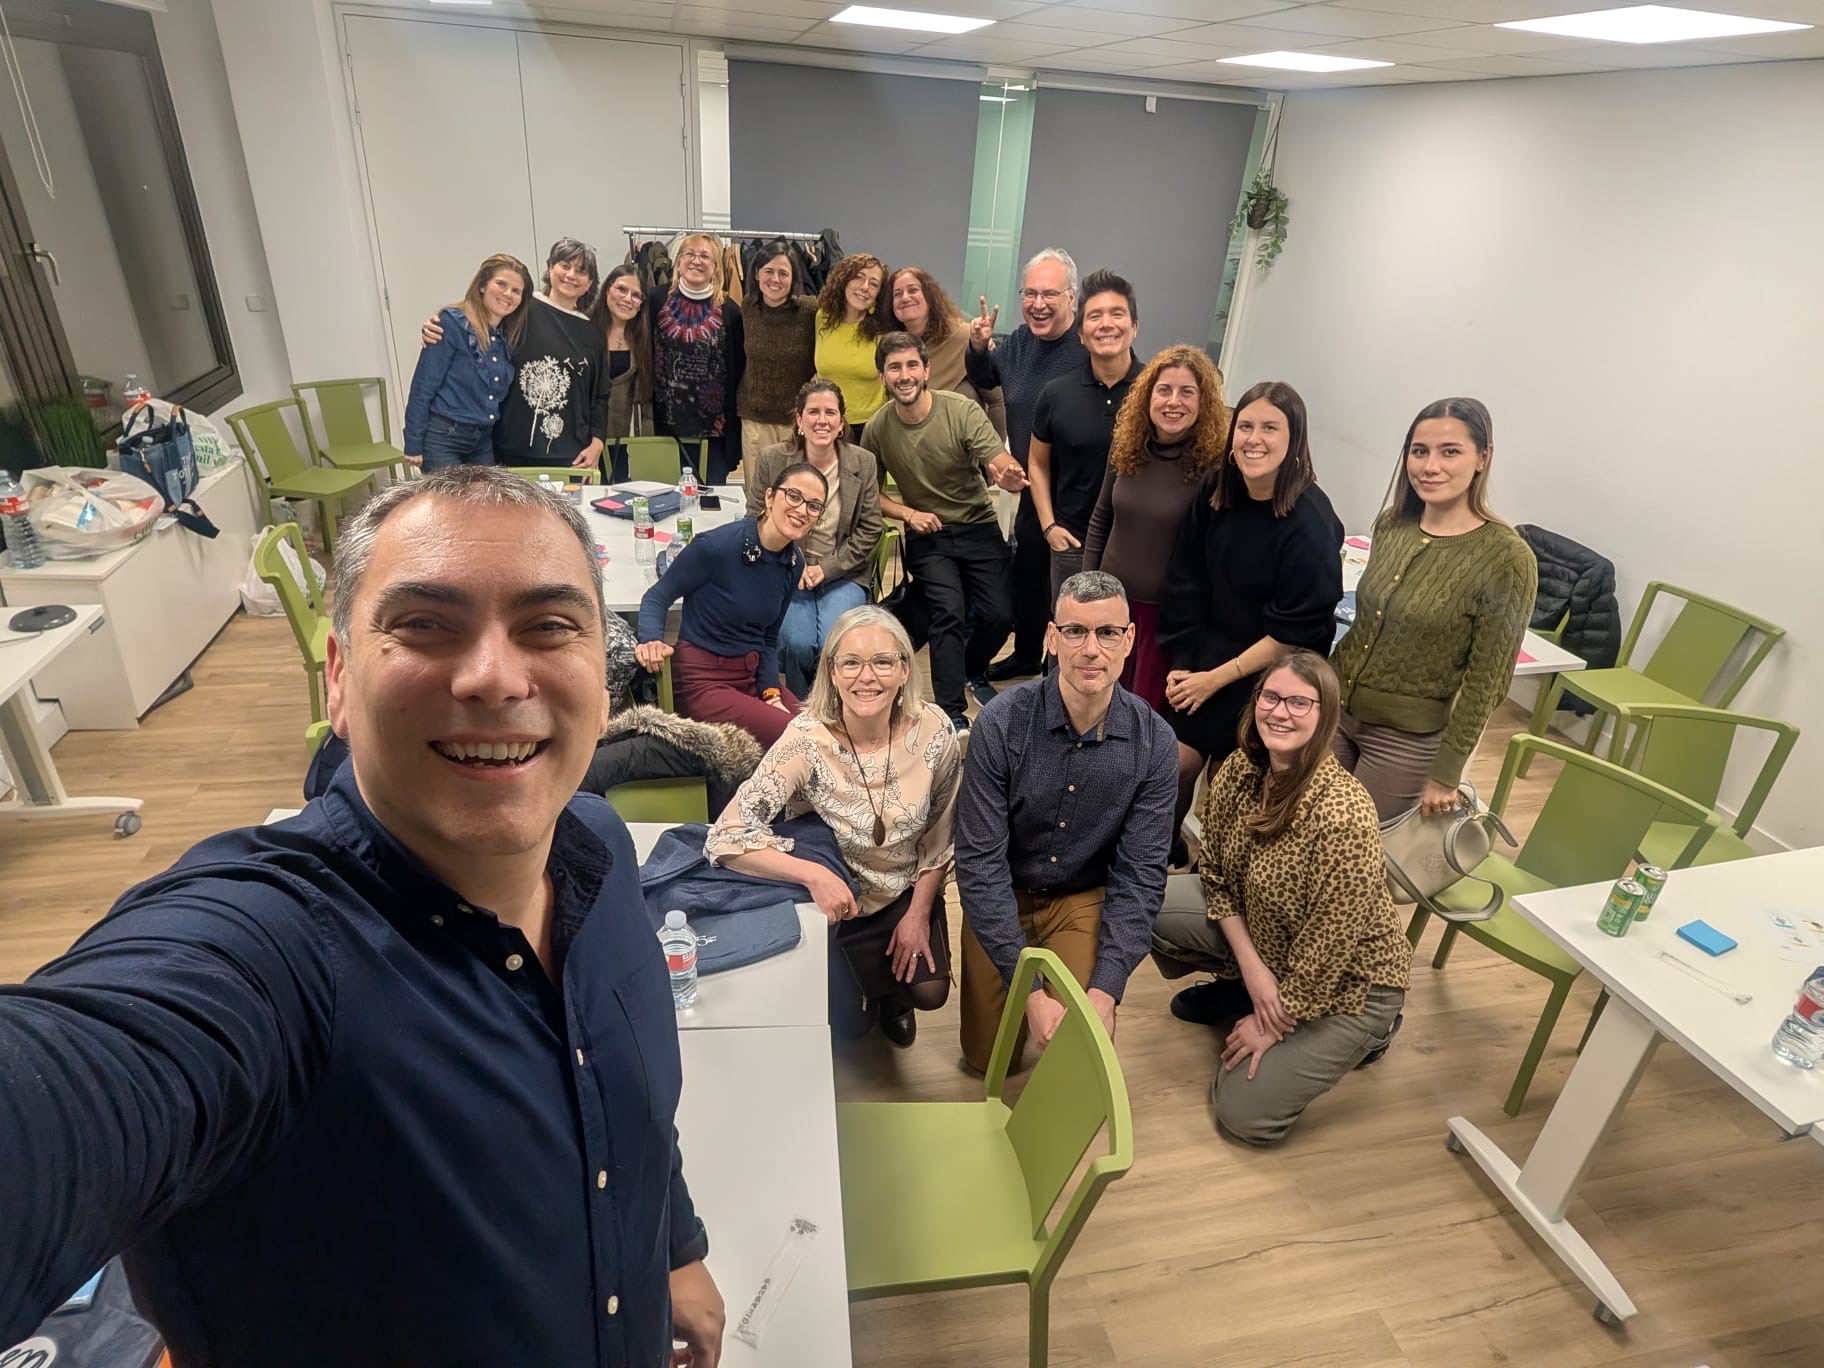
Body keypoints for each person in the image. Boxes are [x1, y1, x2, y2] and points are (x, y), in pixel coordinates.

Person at [0, 468, 724, 1364]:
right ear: (338, 678)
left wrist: (674, 1247)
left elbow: (623, 1094)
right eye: (424, 624)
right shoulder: (268, 951)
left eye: (548, 626)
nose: (495, 678)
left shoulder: (601, 848)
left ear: (603, 681)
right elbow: (77, 1086)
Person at [1151, 651, 1410, 1146]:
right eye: (1270, 697)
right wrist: (1252, 971)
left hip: (1348, 982)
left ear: (1325, 715)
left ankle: (1371, 1035)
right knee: (1148, 902)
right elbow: (1215, 875)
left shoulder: (1343, 813)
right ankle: (1241, 991)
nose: (1279, 712)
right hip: (1269, 939)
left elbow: (1329, 947)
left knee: (1243, 1117)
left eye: (1299, 702)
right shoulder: (1240, 769)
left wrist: (1275, 1022)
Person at [953, 571, 1177, 1073]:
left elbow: (1141, 876)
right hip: (1004, 890)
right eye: (1075, 631)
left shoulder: (1154, 743)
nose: (1091, 650)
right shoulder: (1001, 723)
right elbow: (979, 864)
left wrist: (1107, 989)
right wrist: (1032, 994)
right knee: (988, 1060)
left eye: (1108, 633)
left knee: (1076, 1051)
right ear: (1052, 638)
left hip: (1080, 896)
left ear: (1129, 639)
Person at [706, 605, 960, 1046]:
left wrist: (918, 914)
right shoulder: (806, 739)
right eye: (851, 662)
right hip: (837, 899)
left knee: (930, 992)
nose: (867, 677)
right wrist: (814, 876)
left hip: (905, 889)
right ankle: (866, 996)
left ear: (905, 670)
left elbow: (941, 833)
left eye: (883, 662)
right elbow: (725, 836)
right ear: (832, 672)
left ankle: (893, 1000)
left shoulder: (935, 729)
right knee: (849, 1030)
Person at [1330, 397, 1538, 819]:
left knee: (1362, 846)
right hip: (1336, 712)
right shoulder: (1393, 525)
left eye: (1450, 452)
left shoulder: (1507, 558)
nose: (1430, 466)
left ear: (1483, 457)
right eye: (1419, 451)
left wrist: (1447, 771)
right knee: (1309, 826)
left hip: (1404, 740)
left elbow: (1487, 680)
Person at [1158, 380, 1343, 833]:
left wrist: (1213, 680)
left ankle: (1213, 868)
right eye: (1245, 426)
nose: (1253, 439)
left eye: (1269, 428)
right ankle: (1157, 855)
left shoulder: (1311, 521)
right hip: (1206, 655)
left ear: (1294, 439)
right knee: (1170, 765)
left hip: (1270, 675)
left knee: (1229, 785)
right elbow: (1185, 583)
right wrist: (1184, 664)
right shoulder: (1215, 490)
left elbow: (1295, 633)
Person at [863, 331, 1027, 736]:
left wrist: (1007, 473)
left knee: (1000, 615)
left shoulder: (960, 410)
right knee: (947, 611)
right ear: (882, 377)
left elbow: (997, 459)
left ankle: (972, 668)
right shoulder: (878, 428)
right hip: (928, 534)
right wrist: (908, 513)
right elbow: (870, 493)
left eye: (911, 365)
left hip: (977, 525)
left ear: (927, 370)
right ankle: (951, 712)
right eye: (894, 367)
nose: (904, 375)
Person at [637, 460, 827, 748]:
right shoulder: (716, 546)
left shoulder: (793, 562)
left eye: (814, 506)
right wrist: (651, 639)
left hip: (750, 678)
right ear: (769, 497)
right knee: (799, 739)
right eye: (794, 496)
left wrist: (771, 692)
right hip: (702, 682)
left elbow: (768, 639)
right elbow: (657, 597)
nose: (802, 510)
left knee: (820, 732)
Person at [964, 247, 1089, 684]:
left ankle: (1063, 675)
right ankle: (1025, 656)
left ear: (1071, 297)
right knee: (1029, 580)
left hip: (1081, 492)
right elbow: (985, 376)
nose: (1038, 303)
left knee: (1070, 592)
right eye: (1030, 293)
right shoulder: (1018, 343)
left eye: (1049, 294)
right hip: (1033, 491)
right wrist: (977, 347)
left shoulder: (1089, 348)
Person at [1082, 343, 1228, 714]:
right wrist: (1087, 592)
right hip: (1110, 605)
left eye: (1187, 392)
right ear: (1148, 396)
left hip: (1165, 622)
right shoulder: (1127, 445)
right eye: (1164, 390)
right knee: (1093, 704)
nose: (1173, 402)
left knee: (1139, 716)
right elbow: (1101, 518)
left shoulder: (1214, 467)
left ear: (1204, 401)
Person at [421, 238, 608, 472]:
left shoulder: (591, 334)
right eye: (565, 265)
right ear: (550, 267)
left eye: (581, 271)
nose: (571, 275)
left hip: (571, 455)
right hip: (509, 448)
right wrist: (436, 327)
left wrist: (597, 443)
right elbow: (473, 322)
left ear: (590, 283)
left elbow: (600, 395)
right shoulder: (520, 309)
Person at [746, 379, 883, 697]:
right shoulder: (772, 459)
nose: (822, 420)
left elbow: (870, 528)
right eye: (813, 412)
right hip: (786, 570)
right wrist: (790, 564)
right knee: (797, 644)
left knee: (834, 642)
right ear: (799, 420)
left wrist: (827, 568)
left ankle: (835, 705)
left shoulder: (863, 462)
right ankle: (803, 708)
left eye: (830, 413)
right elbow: (755, 518)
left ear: (841, 422)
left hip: (842, 572)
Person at [1029, 268, 1142, 606]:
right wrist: (1049, 527)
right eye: (1094, 316)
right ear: (1080, 334)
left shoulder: (1156, 393)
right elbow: (1037, 463)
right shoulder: (1056, 394)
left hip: (1137, 550)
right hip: (1072, 545)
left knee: (1129, 634)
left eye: (1117, 314)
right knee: (1069, 631)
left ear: (1135, 327)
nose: (1106, 324)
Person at [402, 253, 531, 469]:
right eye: (501, 284)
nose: (508, 294)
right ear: (482, 285)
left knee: (487, 492)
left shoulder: (507, 336)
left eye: (516, 291)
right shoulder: (452, 324)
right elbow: (423, 386)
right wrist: (413, 441)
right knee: (452, 493)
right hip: (443, 438)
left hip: (482, 440)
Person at [654, 231, 745, 484]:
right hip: (665, 429)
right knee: (667, 499)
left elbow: (737, 371)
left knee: (710, 501)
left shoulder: (730, 311)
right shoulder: (656, 300)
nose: (696, 260)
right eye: (689, 254)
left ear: (715, 267)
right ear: (678, 262)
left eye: (705, 256)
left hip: (714, 434)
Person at [886, 264, 1005, 437]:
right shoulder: (889, 348)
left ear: (929, 296)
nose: (905, 298)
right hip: (906, 447)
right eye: (897, 294)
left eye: (913, 290)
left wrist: (995, 450)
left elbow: (997, 402)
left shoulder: (966, 338)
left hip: (965, 448)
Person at [737, 240, 819, 473]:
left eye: (783, 273)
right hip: (755, 421)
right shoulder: (748, 307)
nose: (775, 279)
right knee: (758, 489)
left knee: (795, 487)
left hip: (796, 422)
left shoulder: (810, 310)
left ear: (793, 278)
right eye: (769, 271)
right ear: (756, 274)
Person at [814, 252, 890, 436]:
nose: (865, 287)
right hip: (826, 423)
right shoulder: (823, 318)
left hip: (870, 427)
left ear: (878, 295)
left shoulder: (883, 330)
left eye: (874, 284)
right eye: (859, 277)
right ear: (844, 280)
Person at [593, 261, 653, 482]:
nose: (627, 299)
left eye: (636, 295)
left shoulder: (641, 339)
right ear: (607, 288)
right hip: (583, 441)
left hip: (618, 441)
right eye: (621, 289)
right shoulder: (585, 329)